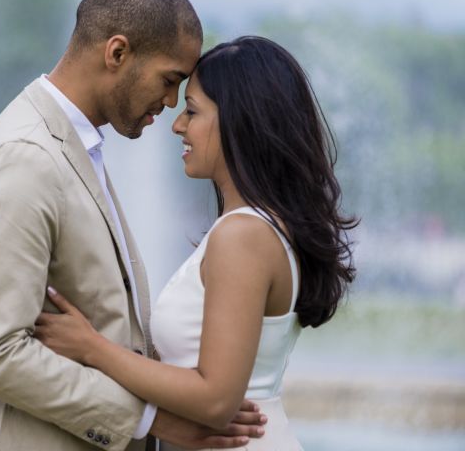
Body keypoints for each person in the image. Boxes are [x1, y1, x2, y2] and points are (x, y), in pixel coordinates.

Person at [0, 0, 270, 451]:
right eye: (170, 79)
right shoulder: (25, 159)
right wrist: (147, 420)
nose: (172, 103)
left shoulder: (75, 147)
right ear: (117, 53)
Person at [35, 36, 358, 450]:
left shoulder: (243, 235)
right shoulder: (255, 228)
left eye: (193, 111)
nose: (177, 125)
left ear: (242, 122)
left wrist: (92, 348)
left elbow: (216, 400)